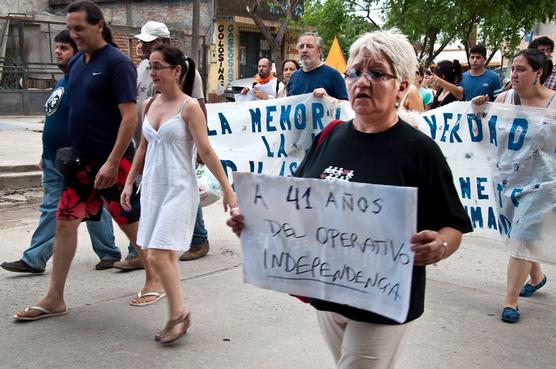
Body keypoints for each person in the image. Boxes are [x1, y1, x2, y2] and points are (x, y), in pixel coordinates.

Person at [227, 29, 472, 369]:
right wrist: (252, 221)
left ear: (401, 86)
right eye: (355, 72)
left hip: (384, 301)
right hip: (330, 294)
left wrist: (440, 246)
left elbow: (453, 226)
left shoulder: (419, 151)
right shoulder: (330, 137)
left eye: (377, 73)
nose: (362, 82)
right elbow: (293, 207)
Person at [13, 0, 151, 320]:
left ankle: (161, 283)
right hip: (79, 163)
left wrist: (114, 162)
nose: (74, 35)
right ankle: (54, 297)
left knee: (131, 226)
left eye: (80, 28)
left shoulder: (117, 63)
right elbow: (74, 114)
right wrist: (53, 152)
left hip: (112, 163)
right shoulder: (76, 65)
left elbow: (129, 118)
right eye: (71, 28)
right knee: (64, 223)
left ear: (99, 25)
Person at [121, 45, 236, 343]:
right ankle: (177, 314)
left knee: (158, 255)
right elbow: (143, 147)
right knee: (165, 255)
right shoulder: (148, 104)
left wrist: (227, 189)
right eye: (150, 66)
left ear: (177, 70)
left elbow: (207, 151)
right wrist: (130, 181)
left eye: (158, 66)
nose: (152, 72)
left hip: (179, 190)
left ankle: (178, 315)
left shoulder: (189, 107)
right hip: (152, 189)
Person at [0, 30, 121, 274]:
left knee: (92, 206)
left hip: (78, 159)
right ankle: (36, 258)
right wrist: (44, 155)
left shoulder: (85, 84)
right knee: (56, 207)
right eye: (57, 47)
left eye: (64, 48)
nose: (58, 52)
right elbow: (53, 120)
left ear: (78, 53)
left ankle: (108, 252)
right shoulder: (61, 82)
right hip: (54, 159)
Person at [472, 49, 554, 323]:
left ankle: (511, 301)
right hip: (508, 181)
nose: (513, 75)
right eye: (513, 69)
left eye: (520, 69)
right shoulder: (505, 99)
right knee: (520, 237)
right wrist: (478, 111)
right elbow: (484, 135)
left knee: (520, 237)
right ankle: (537, 276)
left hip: (542, 185)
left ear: (538, 73)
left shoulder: (554, 104)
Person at [287, 32, 348, 100]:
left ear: (319, 51)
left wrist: (328, 98)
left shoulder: (333, 75)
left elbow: (345, 107)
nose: (304, 50)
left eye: (309, 46)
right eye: (301, 47)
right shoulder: (294, 76)